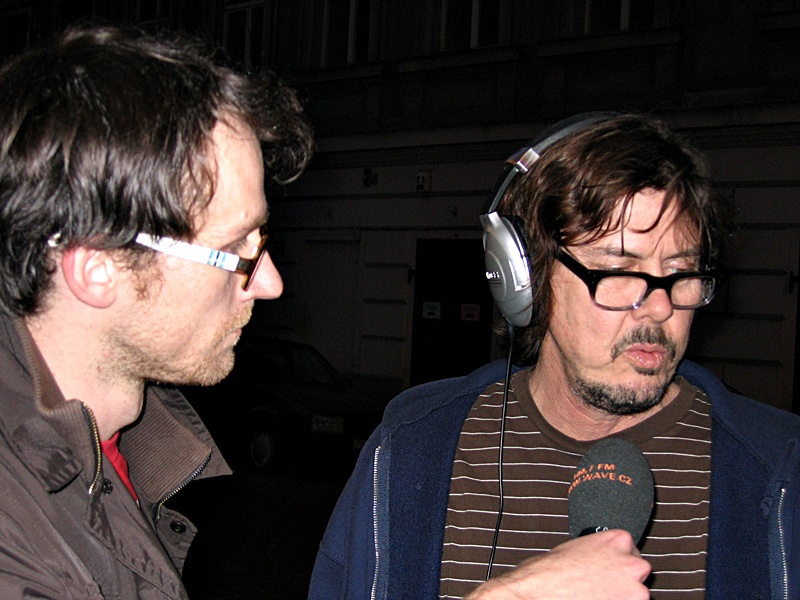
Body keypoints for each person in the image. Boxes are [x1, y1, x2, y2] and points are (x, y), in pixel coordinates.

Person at [309, 113, 800, 599]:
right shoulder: (411, 451)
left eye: (681, 273)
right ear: (528, 278)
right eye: (618, 271)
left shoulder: (778, 471)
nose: (659, 307)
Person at [0, 26, 312, 597]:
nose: (269, 283)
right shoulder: (16, 537)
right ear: (98, 268)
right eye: (236, 248)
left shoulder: (125, 449)